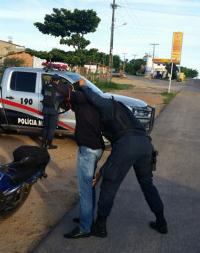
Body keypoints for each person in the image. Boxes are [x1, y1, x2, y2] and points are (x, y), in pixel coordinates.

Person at [79, 78, 168, 237]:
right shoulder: (124, 111)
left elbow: (93, 98)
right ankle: (161, 222)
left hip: (128, 145)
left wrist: (83, 86)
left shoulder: (108, 104)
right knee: (148, 184)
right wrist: (103, 171)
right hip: (147, 146)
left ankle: (100, 226)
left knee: (110, 184)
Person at [54, 82, 105, 239]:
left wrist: (55, 83)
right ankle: (87, 218)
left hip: (88, 150)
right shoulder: (92, 101)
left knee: (84, 190)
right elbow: (69, 101)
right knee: (89, 187)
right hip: (97, 148)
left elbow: (64, 91)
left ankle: (84, 228)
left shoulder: (81, 97)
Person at [41, 74, 61, 149]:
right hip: (53, 110)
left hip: (45, 109)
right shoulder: (57, 88)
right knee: (51, 128)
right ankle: (49, 144)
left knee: (45, 127)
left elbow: (43, 92)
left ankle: (43, 144)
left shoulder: (45, 86)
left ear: (51, 79)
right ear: (58, 80)